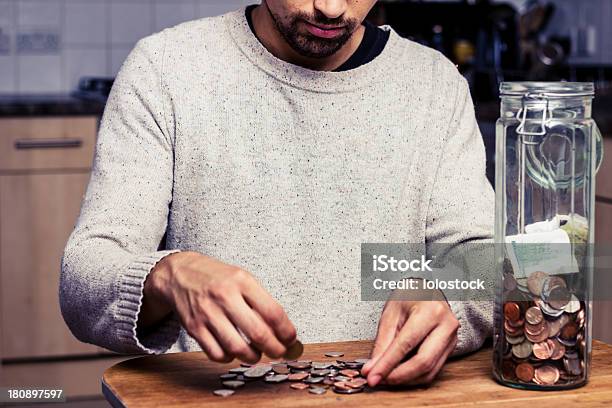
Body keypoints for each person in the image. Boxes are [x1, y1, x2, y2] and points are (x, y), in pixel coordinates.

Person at [60, 0, 494, 387]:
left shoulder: (434, 83)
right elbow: (85, 279)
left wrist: (443, 292)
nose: (330, 8)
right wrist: (169, 275)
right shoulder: (166, 69)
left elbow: (483, 259)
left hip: (384, 397)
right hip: (211, 399)